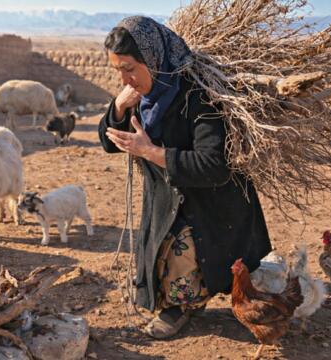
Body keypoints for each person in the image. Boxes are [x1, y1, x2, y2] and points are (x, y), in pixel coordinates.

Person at [98, 16, 272, 339]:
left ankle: (186, 303)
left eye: (129, 68)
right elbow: (109, 141)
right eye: (117, 71)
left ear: (153, 60)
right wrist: (119, 108)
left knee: (179, 255)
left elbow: (214, 164)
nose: (125, 79)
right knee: (156, 257)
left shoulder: (197, 96)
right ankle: (184, 296)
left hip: (211, 206)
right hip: (168, 199)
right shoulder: (141, 98)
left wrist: (151, 152)